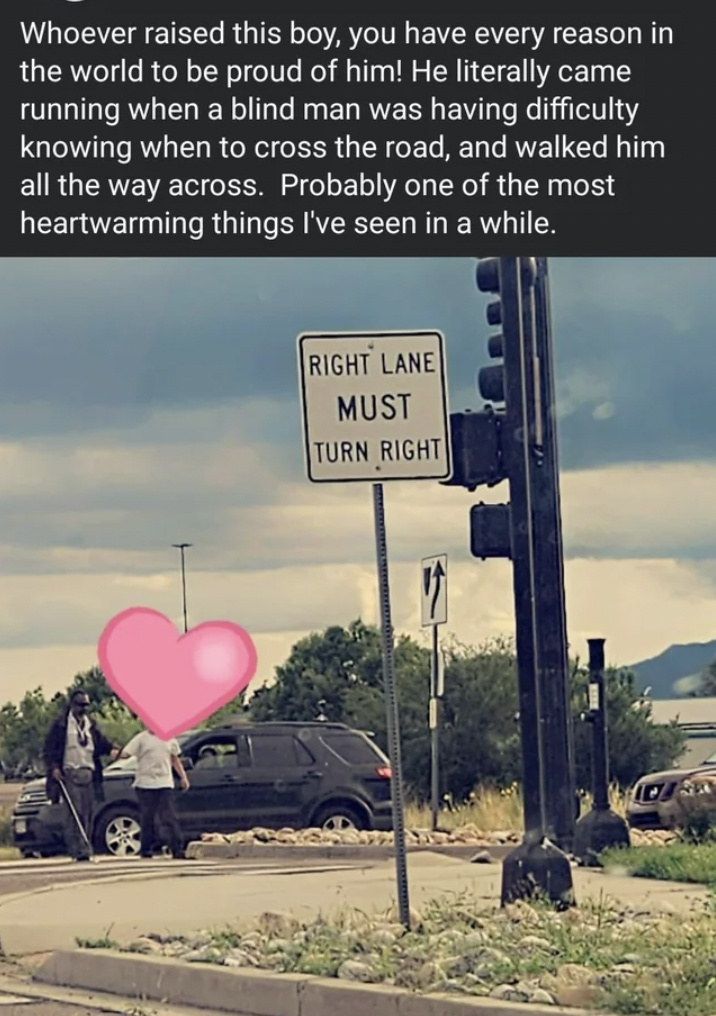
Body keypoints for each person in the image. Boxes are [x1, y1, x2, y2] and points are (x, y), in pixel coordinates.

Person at [43, 689, 120, 862]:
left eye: (85, 705)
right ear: (72, 704)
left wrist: (113, 749)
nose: (83, 709)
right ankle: (77, 849)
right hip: (69, 773)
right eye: (79, 705)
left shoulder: (90, 724)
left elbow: (101, 744)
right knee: (74, 813)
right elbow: (49, 750)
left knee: (87, 812)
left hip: (89, 772)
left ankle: (85, 847)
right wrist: (54, 767)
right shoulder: (61, 724)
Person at [119, 728, 190, 859]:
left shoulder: (169, 739)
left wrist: (183, 777)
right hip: (145, 783)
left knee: (169, 816)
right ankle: (146, 849)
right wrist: (118, 752)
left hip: (164, 782)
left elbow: (174, 759)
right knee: (147, 817)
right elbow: (126, 753)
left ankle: (177, 849)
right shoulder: (141, 738)